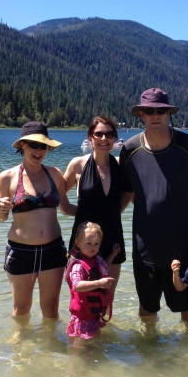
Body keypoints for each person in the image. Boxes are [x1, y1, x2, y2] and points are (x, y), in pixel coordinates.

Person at [119, 88, 188, 325]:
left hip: (184, 248)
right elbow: (127, 192)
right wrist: (106, 223)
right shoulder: (130, 149)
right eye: (149, 110)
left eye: (161, 111)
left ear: (169, 114)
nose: (156, 115)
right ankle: (149, 355)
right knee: (147, 308)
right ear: (141, 114)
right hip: (145, 249)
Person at [0, 122, 76, 320]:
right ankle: (22, 351)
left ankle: (51, 350)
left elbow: (65, 208)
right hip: (21, 252)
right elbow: (1, 217)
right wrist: (1, 207)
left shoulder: (55, 174)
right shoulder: (7, 177)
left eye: (43, 146)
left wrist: (97, 213)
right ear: (23, 145)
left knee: (51, 310)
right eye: (33, 145)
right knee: (21, 311)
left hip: (53, 251)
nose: (39, 150)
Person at [64, 116, 126, 294]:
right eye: (98, 134)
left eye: (109, 134)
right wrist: (80, 212)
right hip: (84, 239)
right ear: (90, 137)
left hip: (113, 237)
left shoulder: (121, 166)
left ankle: (104, 323)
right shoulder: (78, 165)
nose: (104, 139)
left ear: (114, 138)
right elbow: (60, 196)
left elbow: (129, 194)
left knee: (107, 297)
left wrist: (112, 213)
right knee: (81, 297)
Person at [65, 222, 121, 339]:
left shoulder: (97, 260)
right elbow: (77, 285)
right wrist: (99, 283)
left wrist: (112, 255)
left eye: (96, 244)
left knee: (94, 346)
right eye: (88, 243)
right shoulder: (78, 265)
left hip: (94, 316)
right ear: (78, 243)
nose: (93, 247)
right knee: (80, 347)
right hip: (81, 319)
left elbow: (103, 267)